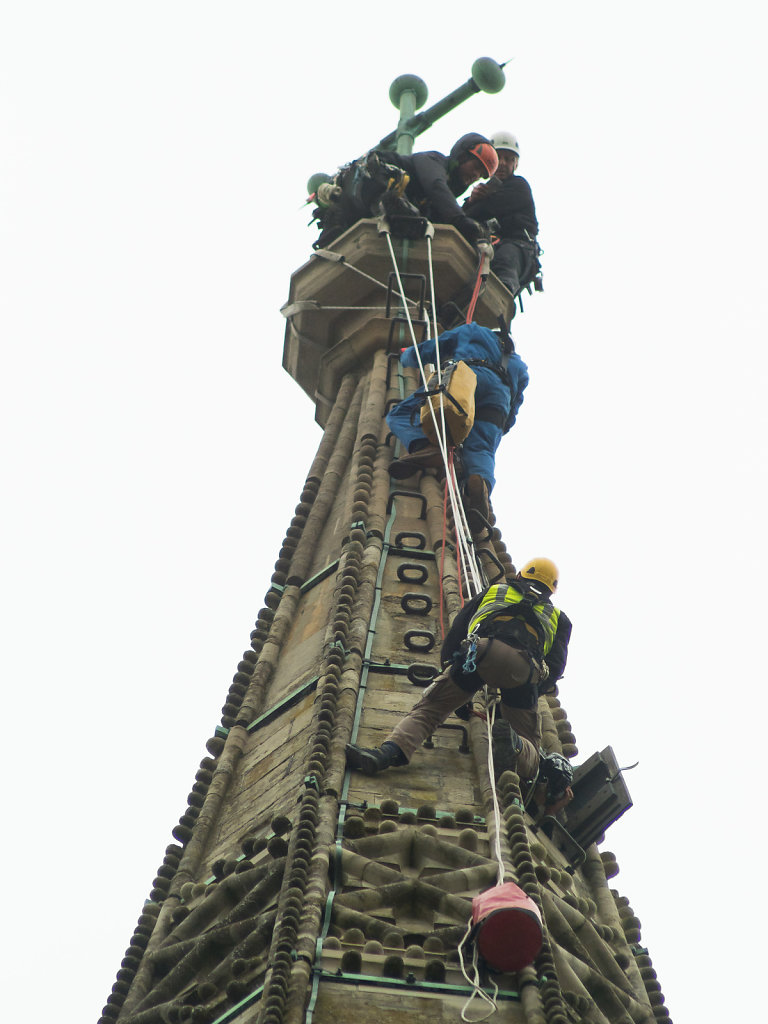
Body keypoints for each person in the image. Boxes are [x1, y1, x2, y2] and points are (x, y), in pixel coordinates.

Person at [346, 558, 573, 796]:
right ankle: (516, 744)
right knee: (530, 747)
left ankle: (386, 754)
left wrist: (450, 668)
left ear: (519, 576)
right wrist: (528, 691)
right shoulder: (559, 618)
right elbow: (555, 668)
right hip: (525, 669)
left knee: (430, 709)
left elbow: (459, 628)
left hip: (482, 652)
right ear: (551, 590)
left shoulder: (495, 591)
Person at [386, 321, 528, 522]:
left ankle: (426, 447)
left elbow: (437, 346)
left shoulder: (474, 330)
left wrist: (407, 355)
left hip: (468, 377)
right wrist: (499, 428)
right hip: (499, 400)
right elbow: (515, 406)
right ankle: (480, 488)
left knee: (401, 413)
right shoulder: (519, 366)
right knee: (482, 449)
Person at [313, 133, 499, 249]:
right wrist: (461, 220)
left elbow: (441, 217)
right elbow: (435, 184)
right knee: (405, 211)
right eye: (475, 166)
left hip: (362, 211)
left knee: (421, 220)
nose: (475, 175)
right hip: (369, 186)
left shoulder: (434, 200)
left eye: (481, 174)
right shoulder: (433, 161)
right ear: (462, 156)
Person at [462, 131, 540, 301]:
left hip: (517, 248)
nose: (503, 163)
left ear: (516, 164)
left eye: (509, 159)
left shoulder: (519, 187)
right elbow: (462, 217)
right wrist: (471, 201)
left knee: (505, 259)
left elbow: (490, 208)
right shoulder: (482, 193)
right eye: (499, 157)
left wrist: (475, 202)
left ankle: (502, 295)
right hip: (487, 247)